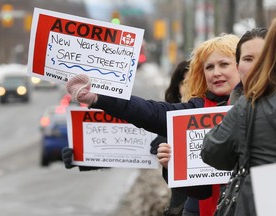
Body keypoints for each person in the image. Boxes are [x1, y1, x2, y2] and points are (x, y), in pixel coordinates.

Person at [65, 33, 240, 216]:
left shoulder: (261, 107)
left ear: (241, 66)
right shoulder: (196, 109)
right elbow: (150, 112)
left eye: (224, 64)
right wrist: (98, 97)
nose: (216, 72)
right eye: (209, 67)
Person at [201, 18, 276, 216]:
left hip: (265, 193)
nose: (257, 66)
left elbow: (212, 151)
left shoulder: (249, 103)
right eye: (248, 59)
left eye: (263, 59)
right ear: (238, 64)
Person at [150, 60, 190, 216]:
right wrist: (80, 155)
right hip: (180, 209)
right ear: (177, 88)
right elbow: (123, 150)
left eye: (196, 79)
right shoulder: (163, 122)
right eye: (185, 82)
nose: (190, 86)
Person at [229, 27, 267, 104]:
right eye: (248, 59)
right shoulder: (222, 112)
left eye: (264, 59)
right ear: (237, 67)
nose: (255, 66)